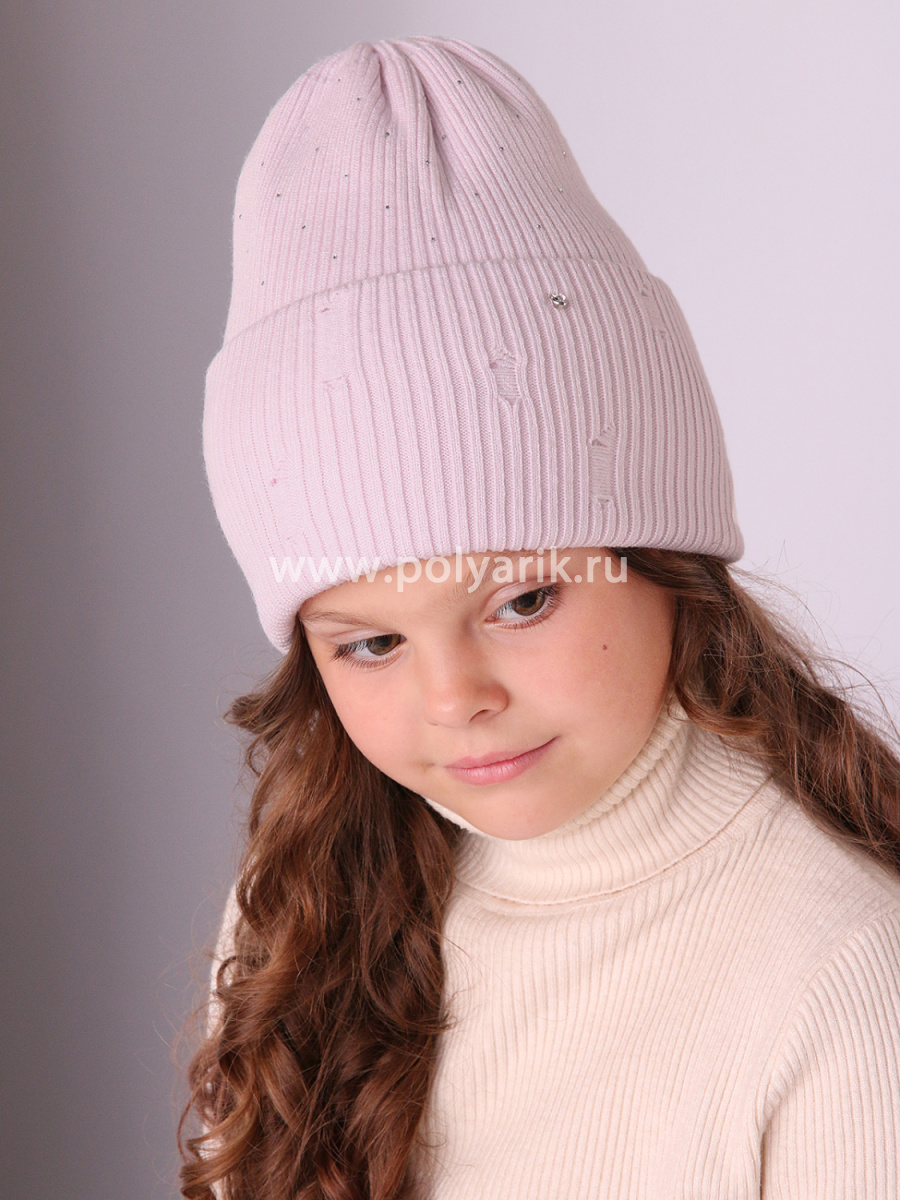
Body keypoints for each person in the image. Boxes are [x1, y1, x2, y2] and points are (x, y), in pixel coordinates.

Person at [178, 35, 900, 1200]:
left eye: (522, 599)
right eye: (371, 642)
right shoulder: (306, 898)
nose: (455, 698)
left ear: (665, 559)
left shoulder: (841, 974)